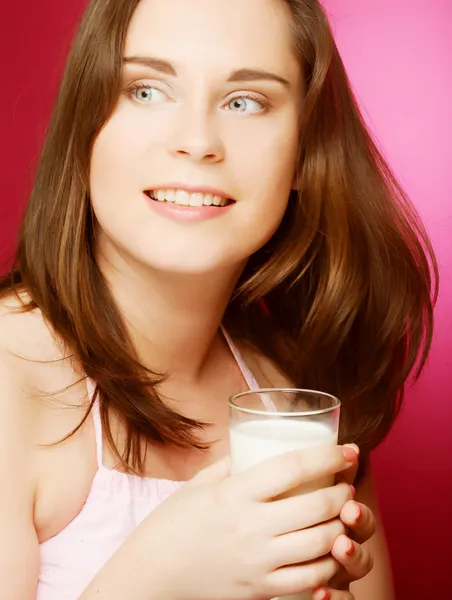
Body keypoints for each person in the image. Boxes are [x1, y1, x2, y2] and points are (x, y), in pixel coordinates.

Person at [0, 0, 437, 599]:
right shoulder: (9, 378)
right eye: (148, 90)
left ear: (305, 153)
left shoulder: (300, 402)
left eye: (245, 101)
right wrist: (162, 578)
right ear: (84, 125)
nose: (198, 141)